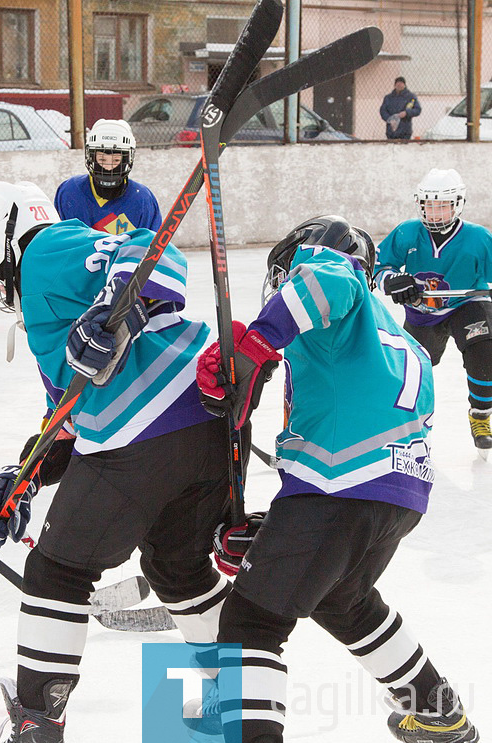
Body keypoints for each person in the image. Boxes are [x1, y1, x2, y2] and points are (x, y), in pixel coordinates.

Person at [0, 181, 240, 742]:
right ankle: (232, 705)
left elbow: (154, 250)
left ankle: (40, 720)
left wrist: (122, 311)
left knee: (58, 571)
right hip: (207, 426)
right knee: (177, 569)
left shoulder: (44, 250)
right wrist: (23, 481)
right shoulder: (52, 310)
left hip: (144, 425)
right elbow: (64, 427)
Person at [194, 216, 477, 743]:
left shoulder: (327, 272)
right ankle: (442, 716)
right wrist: (279, 529)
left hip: (340, 490)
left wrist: (256, 347)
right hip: (397, 495)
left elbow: (329, 278)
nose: (286, 284)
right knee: (344, 601)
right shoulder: (400, 340)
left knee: (249, 629)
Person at [376, 168, 492, 456]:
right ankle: (407, 426)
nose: (434, 212)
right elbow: (378, 267)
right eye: (429, 205)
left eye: (442, 205)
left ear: (457, 204)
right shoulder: (406, 232)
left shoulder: (479, 238)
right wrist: (392, 280)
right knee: (411, 371)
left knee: (484, 353)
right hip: (422, 312)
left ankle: (480, 416)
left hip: (467, 303)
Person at [53, 118, 162, 234]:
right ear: (92, 158)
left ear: (126, 159)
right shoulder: (70, 192)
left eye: (116, 160)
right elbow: (59, 240)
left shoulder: (142, 199)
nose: (109, 167)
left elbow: (153, 245)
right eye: (102, 159)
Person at [380, 76, 421, 140]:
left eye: (401, 84)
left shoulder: (411, 97)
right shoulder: (388, 98)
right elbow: (383, 111)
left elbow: (417, 110)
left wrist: (407, 113)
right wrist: (389, 119)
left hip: (405, 131)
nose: (399, 85)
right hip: (391, 132)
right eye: (397, 84)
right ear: (394, 85)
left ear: (404, 85)